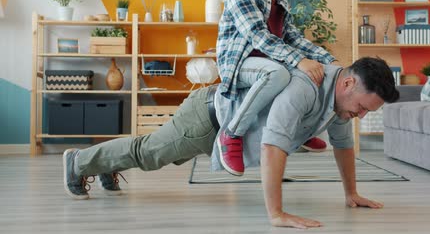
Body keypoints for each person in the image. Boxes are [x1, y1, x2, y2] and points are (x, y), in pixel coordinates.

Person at [62, 57, 399, 229]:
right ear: (349, 83)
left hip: (220, 121)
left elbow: (343, 144)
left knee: (150, 151)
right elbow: (272, 146)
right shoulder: (306, 88)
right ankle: (78, 161)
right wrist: (277, 213)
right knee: (150, 153)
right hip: (208, 118)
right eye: (361, 107)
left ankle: (105, 165)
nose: (359, 115)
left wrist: (351, 193)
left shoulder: (338, 101)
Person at [216, 0, 336, 176]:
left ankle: (298, 130)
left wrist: (327, 59)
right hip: (239, 65)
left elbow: (293, 38)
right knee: (281, 73)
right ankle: (231, 133)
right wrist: (299, 61)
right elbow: (259, 37)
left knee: (309, 72)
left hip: (269, 65)